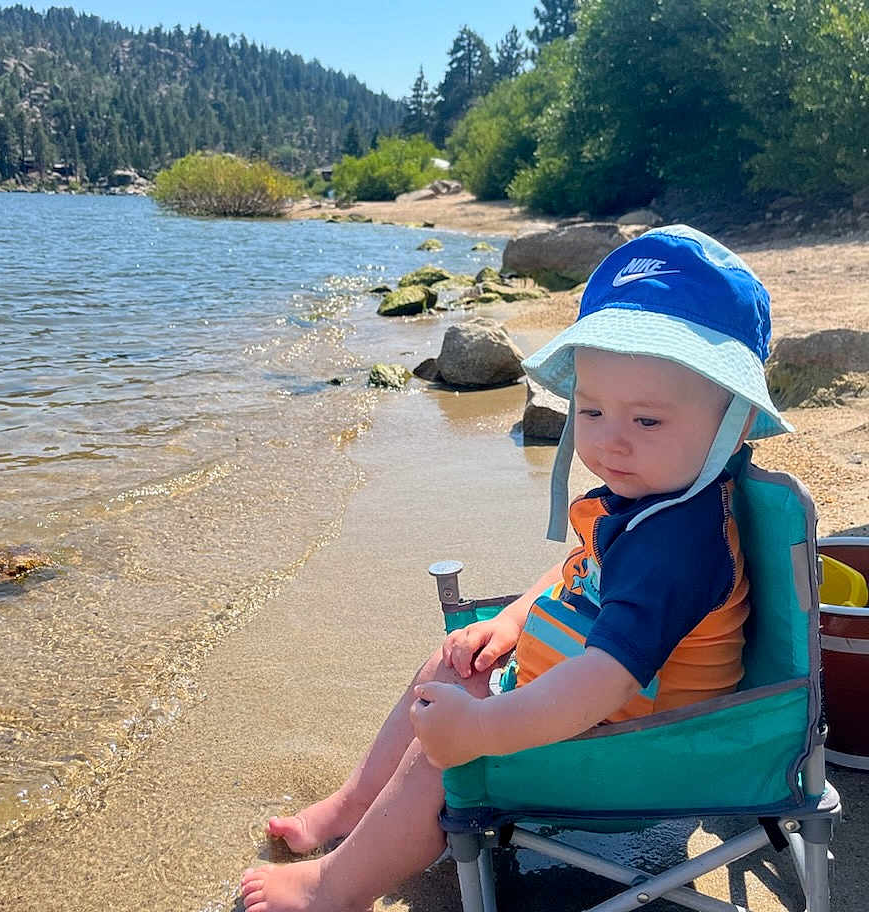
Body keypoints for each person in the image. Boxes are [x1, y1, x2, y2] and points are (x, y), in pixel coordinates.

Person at [239, 225, 793, 912]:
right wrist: (509, 620)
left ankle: (338, 887)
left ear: (732, 426)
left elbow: (603, 679)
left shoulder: (675, 546)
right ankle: (355, 805)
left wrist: (484, 730)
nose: (611, 439)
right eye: (590, 409)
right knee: (447, 667)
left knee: (447, 744)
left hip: (636, 743)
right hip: (591, 703)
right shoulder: (658, 495)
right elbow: (578, 571)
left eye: (647, 421)